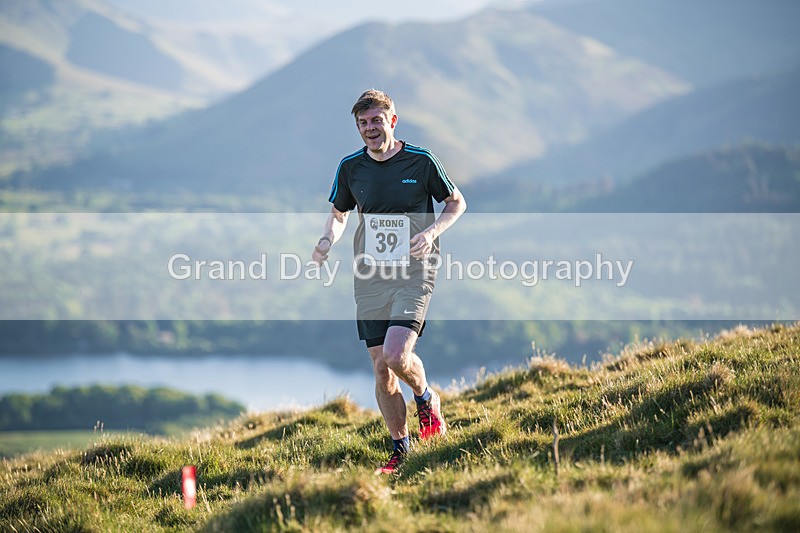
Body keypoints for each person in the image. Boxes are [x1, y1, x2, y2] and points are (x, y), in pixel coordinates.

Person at [312, 89, 467, 474]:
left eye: (376, 121)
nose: (370, 128)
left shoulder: (421, 161)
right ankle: (402, 450)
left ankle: (426, 398)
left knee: (397, 356)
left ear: (392, 121)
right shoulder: (351, 168)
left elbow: (456, 202)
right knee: (382, 367)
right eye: (363, 123)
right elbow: (339, 212)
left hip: (415, 271)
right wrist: (327, 239)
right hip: (370, 275)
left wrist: (431, 232)